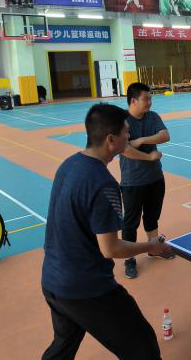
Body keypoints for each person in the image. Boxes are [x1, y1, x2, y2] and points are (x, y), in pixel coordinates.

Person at [41, 104, 172, 360]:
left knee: (63, 345)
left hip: (53, 280)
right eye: (126, 132)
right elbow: (110, 248)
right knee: (143, 346)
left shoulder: (68, 164)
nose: (129, 136)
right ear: (111, 140)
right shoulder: (104, 184)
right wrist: (151, 246)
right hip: (87, 288)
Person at [120, 82, 172, 280]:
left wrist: (142, 140)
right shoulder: (122, 121)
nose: (150, 102)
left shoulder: (153, 116)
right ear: (133, 101)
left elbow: (165, 135)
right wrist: (149, 157)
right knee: (130, 223)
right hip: (132, 182)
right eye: (146, 99)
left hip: (155, 178)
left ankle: (154, 248)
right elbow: (125, 149)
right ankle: (129, 258)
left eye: (150, 98)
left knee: (152, 217)